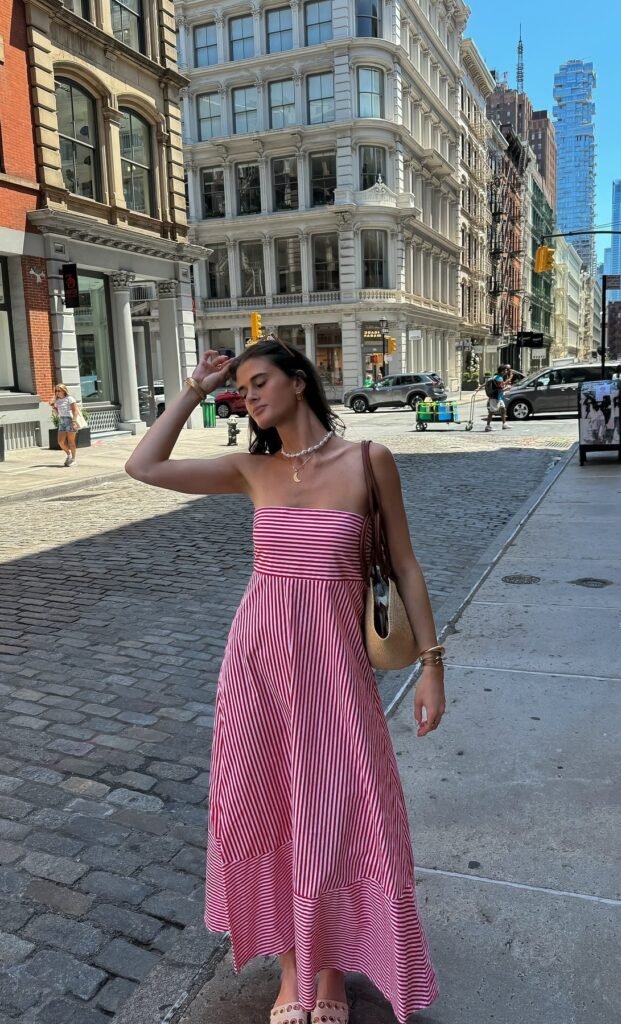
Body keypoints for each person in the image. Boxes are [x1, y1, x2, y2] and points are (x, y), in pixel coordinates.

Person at [124, 339, 444, 1024]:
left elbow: (408, 567)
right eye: (241, 389)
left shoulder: (367, 461)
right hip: (257, 666)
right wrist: (194, 388)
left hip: (334, 669)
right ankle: (291, 969)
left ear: (299, 382)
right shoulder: (251, 469)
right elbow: (143, 465)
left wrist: (432, 666)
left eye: (259, 381)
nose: (250, 397)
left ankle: (329, 969)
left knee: (335, 809)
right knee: (270, 804)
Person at [50, 384, 81, 466]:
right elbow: (56, 414)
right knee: (60, 442)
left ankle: (73, 459)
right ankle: (68, 454)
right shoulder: (57, 401)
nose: (57, 392)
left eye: (58, 390)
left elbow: (75, 411)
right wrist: (53, 407)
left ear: (64, 391)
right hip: (62, 421)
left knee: (71, 442)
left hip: (70, 420)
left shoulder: (69, 399)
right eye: (56, 391)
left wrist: (74, 422)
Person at [485, 364, 508, 431]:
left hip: (498, 397)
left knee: (503, 409)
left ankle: (504, 424)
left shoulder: (496, 377)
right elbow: (500, 389)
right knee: (492, 412)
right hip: (495, 397)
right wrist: (507, 388)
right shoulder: (499, 378)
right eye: (506, 370)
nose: (506, 371)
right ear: (502, 371)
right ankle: (488, 426)